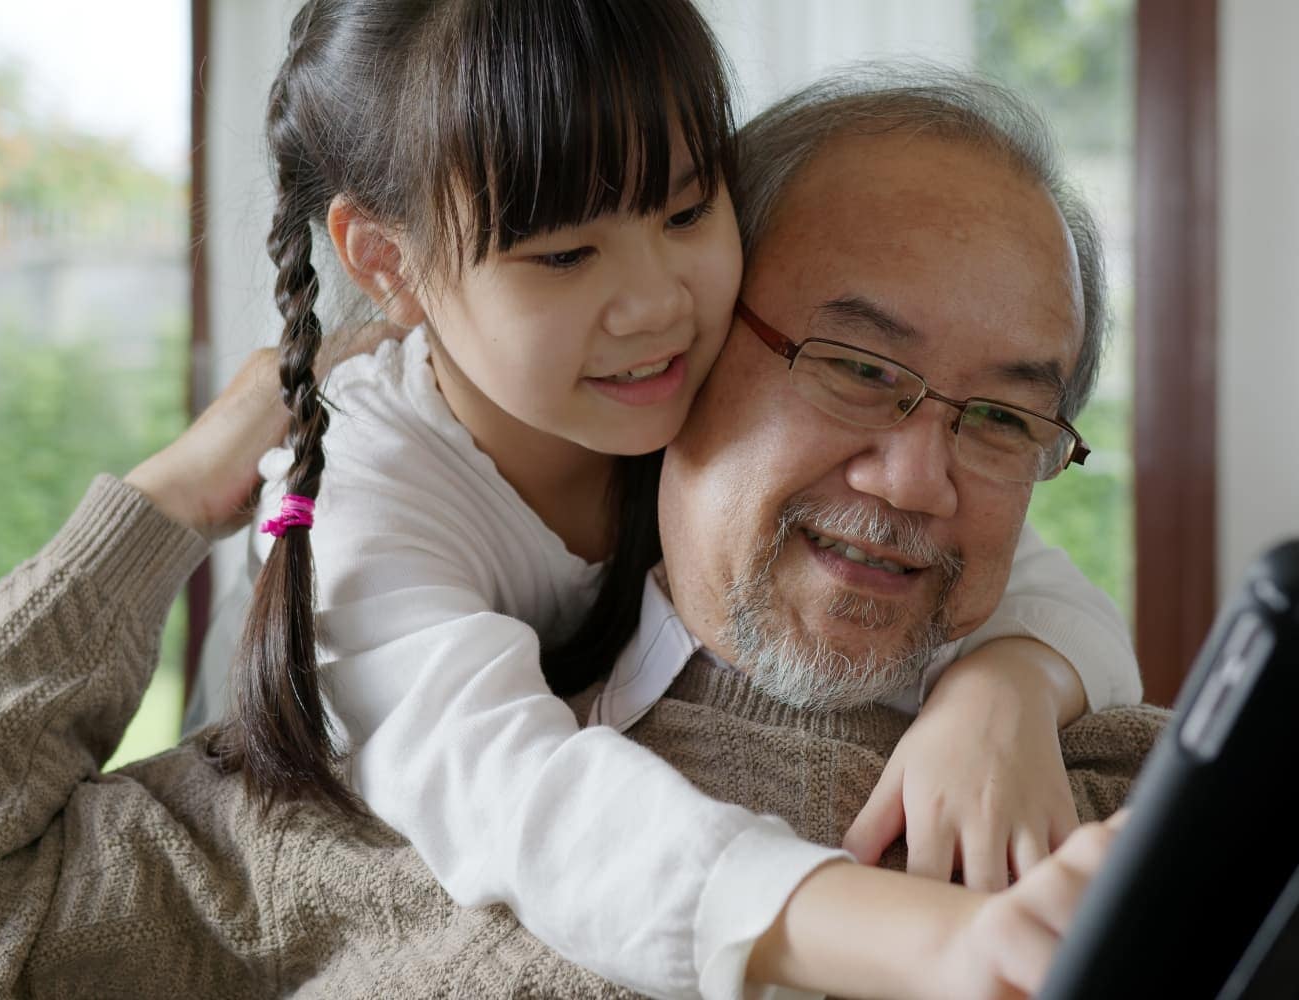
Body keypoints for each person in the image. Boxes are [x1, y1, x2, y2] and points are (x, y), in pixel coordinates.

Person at [199, 3, 1139, 998]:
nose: (657, 305)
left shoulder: (665, 384)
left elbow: (1033, 583)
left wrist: (1002, 690)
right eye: (564, 254)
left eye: (685, 213)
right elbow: (527, 809)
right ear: (389, 261)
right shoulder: (368, 489)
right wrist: (937, 942)